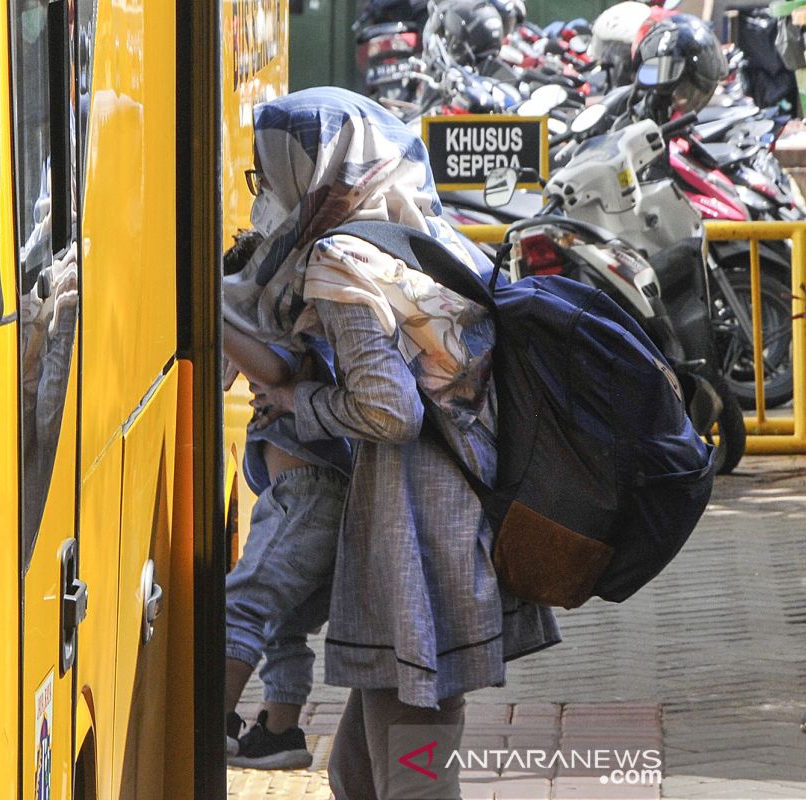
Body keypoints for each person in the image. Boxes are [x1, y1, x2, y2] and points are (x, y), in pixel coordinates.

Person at [223, 86, 561, 798]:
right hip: (449, 517)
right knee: (360, 769)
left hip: (419, 534)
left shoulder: (346, 262)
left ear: (313, 167)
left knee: (411, 768)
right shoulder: (420, 234)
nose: (268, 189)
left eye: (271, 170)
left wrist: (294, 400)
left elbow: (388, 409)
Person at [221, 229, 353, 769]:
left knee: (239, 604)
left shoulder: (293, 327)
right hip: (305, 497)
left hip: (306, 498)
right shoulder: (306, 325)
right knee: (284, 625)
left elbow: (272, 371)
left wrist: (208, 312)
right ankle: (279, 732)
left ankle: (213, 717)